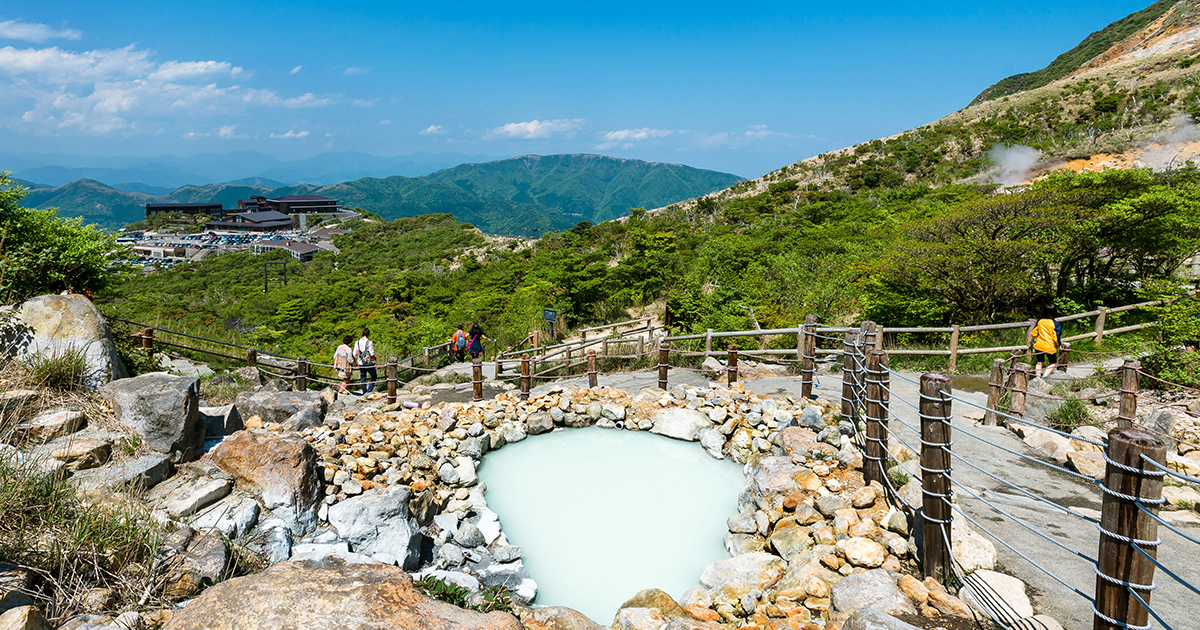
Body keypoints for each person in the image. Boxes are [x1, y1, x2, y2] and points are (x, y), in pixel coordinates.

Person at [1030, 305, 1062, 379]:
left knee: (1039, 362)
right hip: (1050, 347)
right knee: (1052, 363)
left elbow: (1033, 333)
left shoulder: (1040, 322)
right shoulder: (1055, 324)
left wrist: (1037, 338)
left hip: (1039, 345)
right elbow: (1056, 337)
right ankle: (1044, 376)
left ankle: (1037, 378)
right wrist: (1058, 344)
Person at [354, 327, 377, 394]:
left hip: (360, 362)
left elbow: (354, 353)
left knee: (363, 377)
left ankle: (364, 392)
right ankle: (369, 391)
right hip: (368, 363)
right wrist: (375, 358)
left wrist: (354, 362)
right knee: (374, 376)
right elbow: (372, 353)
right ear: (368, 334)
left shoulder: (357, 342)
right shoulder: (369, 342)